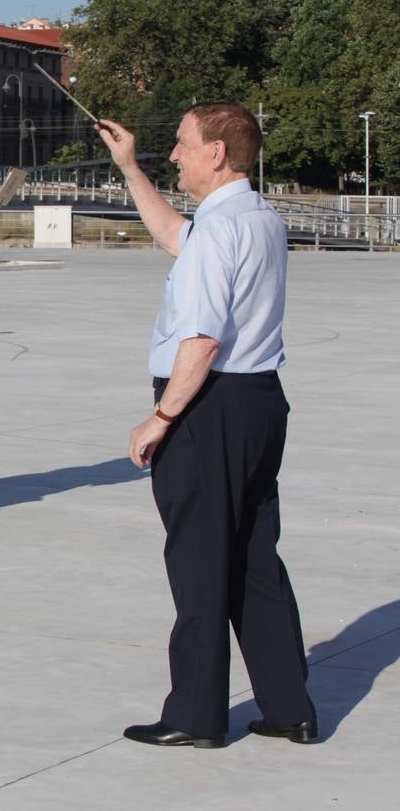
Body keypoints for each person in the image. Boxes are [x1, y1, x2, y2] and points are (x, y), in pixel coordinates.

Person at [98, 104, 316, 748]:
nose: (176, 156)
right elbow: (172, 233)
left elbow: (202, 339)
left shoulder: (220, 233)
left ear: (217, 153)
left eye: (183, 145)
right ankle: (288, 706)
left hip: (208, 405)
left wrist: (161, 417)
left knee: (198, 563)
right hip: (257, 403)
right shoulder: (256, 217)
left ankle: (195, 715)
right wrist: (128, 167)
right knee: (253, 558)